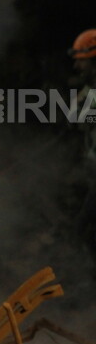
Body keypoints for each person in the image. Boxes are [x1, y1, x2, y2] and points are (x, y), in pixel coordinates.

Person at [69, 30, 96, 260]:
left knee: (81, 230)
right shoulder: (90, 88)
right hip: (92, 167)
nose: (77, 66)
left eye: (81, 60)